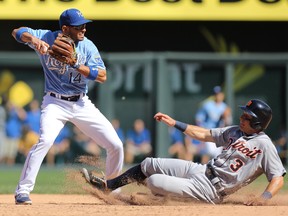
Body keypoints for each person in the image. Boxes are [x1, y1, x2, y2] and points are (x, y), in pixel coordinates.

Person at [11, 8, 124, 205]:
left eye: (84, 25)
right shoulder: (47, 37)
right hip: (55, 102)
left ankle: (111, 190)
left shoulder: (87, 46)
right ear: (65, 28)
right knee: (45, 140)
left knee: (116, 145)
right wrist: (33, 39)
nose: (84, 29)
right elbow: (17, 32)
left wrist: (75, 64)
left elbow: (102, 76)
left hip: (81, 103)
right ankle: (23, 190)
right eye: (79, 26)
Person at [81, 99, 286, 205]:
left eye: (247, 117)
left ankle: (164, 199)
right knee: (149, 164)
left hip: (211, 190)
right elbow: (204, 134)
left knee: (155, 181)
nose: (242, 118)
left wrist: (264, 198)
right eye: (243, 114)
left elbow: (278, 178)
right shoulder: (235, 131)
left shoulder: (265, 145)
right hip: (200, 170)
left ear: (258, 123)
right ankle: (109, 186)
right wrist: (174, 123)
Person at [195, 86, 232, 163]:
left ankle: (212, 173)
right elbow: (198, 119)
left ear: (222, 95)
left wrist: (225, 117)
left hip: (219, 133)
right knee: (209, 152)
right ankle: (202, 170)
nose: (217, 96)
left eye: (219, 94)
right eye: (216, 94)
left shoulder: (225, 107)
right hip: (209, 132)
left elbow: (228, 123)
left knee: (216, 155)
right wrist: (202, 130)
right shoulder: (207, 105)